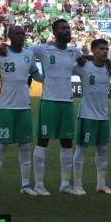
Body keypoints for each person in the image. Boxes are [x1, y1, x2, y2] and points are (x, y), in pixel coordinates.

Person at [0, 26, 43, 196]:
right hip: (6, 108)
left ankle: (25, 185)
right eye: (17, 34)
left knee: (25, 146)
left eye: (23, 34)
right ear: (9, 36)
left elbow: (36, 75)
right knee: (1, 145)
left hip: (24, 108)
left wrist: (55, 76)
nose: (21, 36)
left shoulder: (29, 54)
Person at [30, 19, 82, 195]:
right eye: (63, 28)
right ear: (54, 32)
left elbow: (86, 62)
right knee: (43, 141)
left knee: (67, 143)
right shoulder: (42, 49)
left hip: (67, 102)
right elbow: (23, 55)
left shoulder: (74, 51)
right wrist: (37, 76)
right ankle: (38, 184)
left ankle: (65, 184)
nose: (67, 31)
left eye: (68, 28)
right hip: (49, 102)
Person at [72, 39, 111, 195]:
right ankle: (77, 185)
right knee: (81, 149)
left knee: (103, 150)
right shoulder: (84, 66)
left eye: (107, 48)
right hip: (87, 115)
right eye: (101, 49)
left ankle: (101, 184)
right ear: (93, 51)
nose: (105, 51)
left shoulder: (109, 68)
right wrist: (85, 56)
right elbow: (68, 64)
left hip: (103, 116)